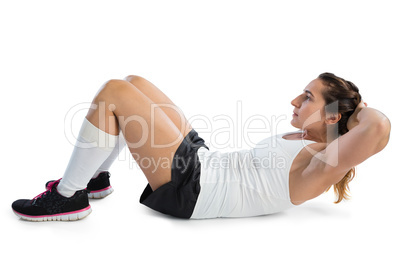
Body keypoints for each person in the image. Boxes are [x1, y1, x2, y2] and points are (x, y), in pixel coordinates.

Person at [11, 73, 391, 221]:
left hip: (194, 190)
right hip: (206, 163)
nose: (294, 101)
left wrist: (356, 109)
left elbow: (378, 127)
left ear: (330, 117)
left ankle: (67, 197)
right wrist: (343, 111)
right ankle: (94, 179)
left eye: (307, 97)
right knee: (134, 83)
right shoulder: (311, 138)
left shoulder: (323, 164)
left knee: (115, 93)